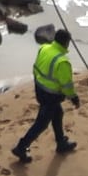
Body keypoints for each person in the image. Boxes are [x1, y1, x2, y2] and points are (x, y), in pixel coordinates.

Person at [12, 29, 80, 163]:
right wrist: (73, 97)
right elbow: (66, 84)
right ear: (66, 43)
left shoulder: (44, 48)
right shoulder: (62, 62)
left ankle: (61, 143)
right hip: (51, 95)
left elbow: (36, 67)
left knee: (58, 113)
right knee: (42, 124)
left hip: (40, 89)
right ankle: (21, 147)